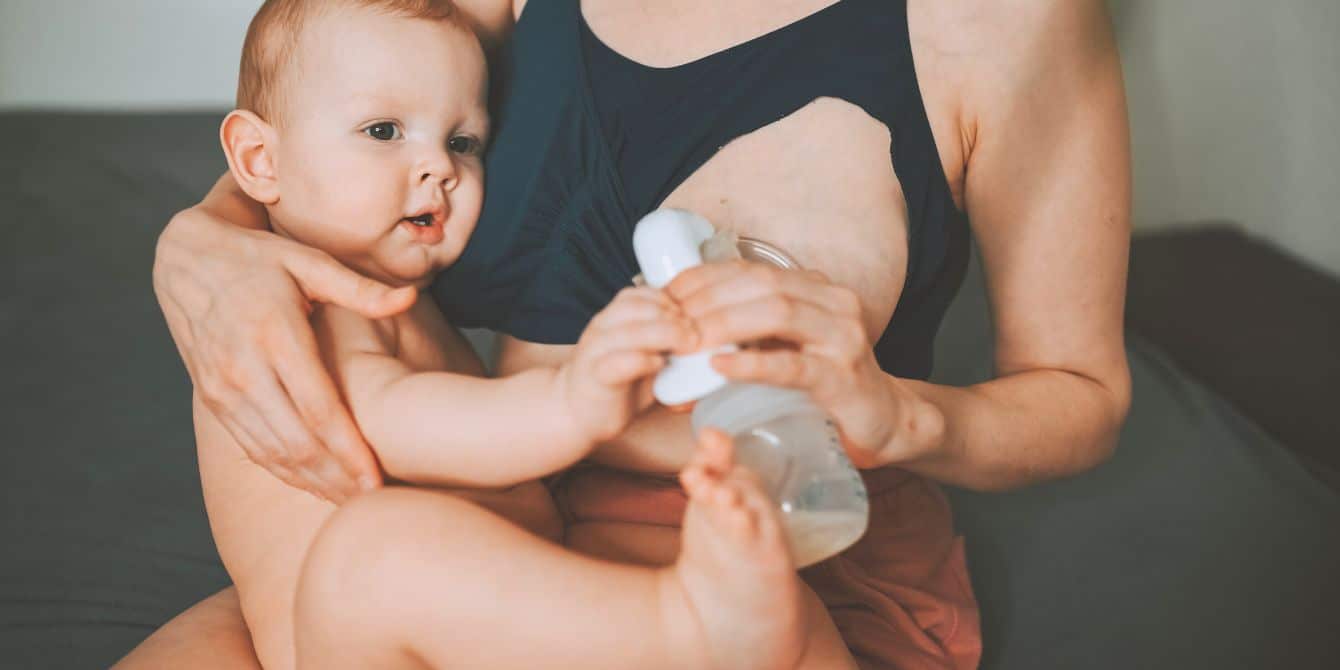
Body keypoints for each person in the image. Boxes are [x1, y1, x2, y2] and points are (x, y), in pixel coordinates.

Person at [121, 0, 1132, 668]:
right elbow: (335, 91)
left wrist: (900, 413)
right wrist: (207, 238)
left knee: (374, 562)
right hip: (493, 525)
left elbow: (1078, 393)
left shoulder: (997, 22)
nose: (441, 166)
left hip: (766, 560)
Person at [188, 1, 835, 669]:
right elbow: (397, 421)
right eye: (383, 130)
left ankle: (720, 619)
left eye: (462, 142)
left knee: (776, 599)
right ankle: (682, 625)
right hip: (357, 647)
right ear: (260, 160)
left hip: (469, 634)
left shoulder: (399, 300)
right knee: (373, 550)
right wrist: (571, 400)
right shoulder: (295, 307)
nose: (438, 167)